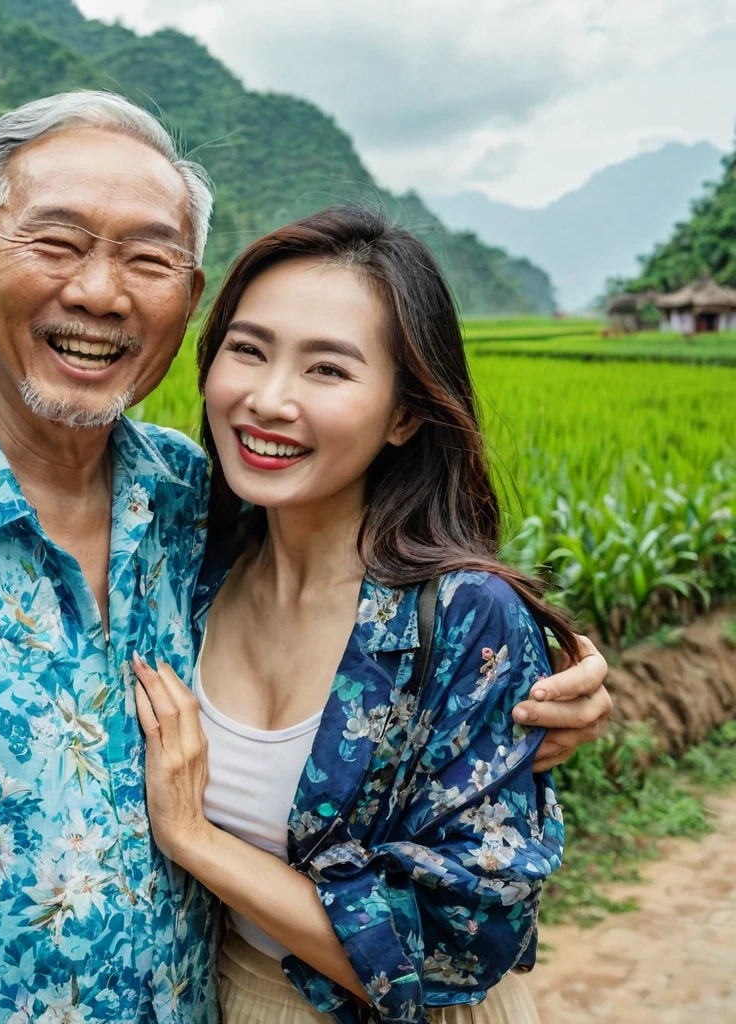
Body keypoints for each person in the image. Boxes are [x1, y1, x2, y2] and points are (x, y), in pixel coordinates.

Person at [0, 93, 610, 1024]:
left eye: (147, 259)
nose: (100, 294)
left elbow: (388, 624)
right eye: (57, 243)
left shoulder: (196, 503)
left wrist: (538, 676)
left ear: (186, 299)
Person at [132, 207, 582, 1024]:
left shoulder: (463, 617)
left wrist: (194, 837)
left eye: (328, 371)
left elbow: (456, 942)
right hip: (229, 997)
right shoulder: (190, 563)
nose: (268, 400)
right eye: (248, 350)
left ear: (405, 413)